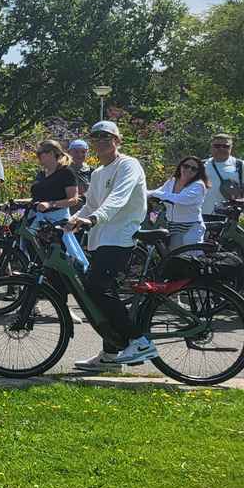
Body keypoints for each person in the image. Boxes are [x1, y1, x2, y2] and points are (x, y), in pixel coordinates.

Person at [66, 120, 155, 370]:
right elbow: (91, 204)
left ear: (117, 141)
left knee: (96, 287)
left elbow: (119, 197)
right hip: (102, 238)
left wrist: (94, 219)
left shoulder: (128, 165)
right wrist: (72, 221)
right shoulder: (97, 173)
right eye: (96, 138)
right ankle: (111, 354)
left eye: (107, 137)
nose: (102, 142)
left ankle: (139, 341)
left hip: (122, 237)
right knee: (101, 293)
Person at [30, 139, 87, 271]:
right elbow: (37, 198)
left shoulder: (66, 172)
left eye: (40, 153)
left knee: (58, 262)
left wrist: (51, 204)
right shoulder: (41, 174)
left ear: (51, 153)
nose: (38, 156)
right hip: (40, 222)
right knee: (38, 259)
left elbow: (73, 199)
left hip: (57, 223)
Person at [149, 157, 208, 250]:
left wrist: (156, 193)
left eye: (194, 169)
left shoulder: (198, 185)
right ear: (180, 166)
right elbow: (158, 192)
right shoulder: (172, 181)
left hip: (189, 227)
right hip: (170, 225)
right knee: (169, 256)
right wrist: (143, 194)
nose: (189, 170)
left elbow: (182, 199)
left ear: (198, 172)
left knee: (187, 258)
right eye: (186, 166)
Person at [203, 133, 242, 216]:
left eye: (226, 146)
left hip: (231, 218)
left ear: (231, 148)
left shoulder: (240, 165)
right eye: (217, 146)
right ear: (211, 147)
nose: (221, 148)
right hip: (203, 216)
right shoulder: (201, 166)